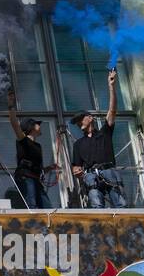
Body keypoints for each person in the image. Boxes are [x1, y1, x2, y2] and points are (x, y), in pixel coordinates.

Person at [70, 66, 127, 209]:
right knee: (96, 207)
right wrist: (77, 172)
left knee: (120, 204)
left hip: (109, 170)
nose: (78, 123)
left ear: (90, 118)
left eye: (80, 119)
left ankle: (129, 229)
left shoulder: (104, 133)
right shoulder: (78, 144)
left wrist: (111, 86)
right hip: (90, 175)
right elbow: (76, 167)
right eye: (76, 122)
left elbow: (112, 110)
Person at [7, 84, 56, 209]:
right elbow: (14, 124)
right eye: (37, 124)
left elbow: (37, 168)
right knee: (32, 204)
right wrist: (11, 105)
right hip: (26, 177)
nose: (39, 125)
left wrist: (49, 168)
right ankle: (35, 226)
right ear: (31, 127)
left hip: (35, 179)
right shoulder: (23, 140)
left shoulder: (37, 146)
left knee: (46, 206)